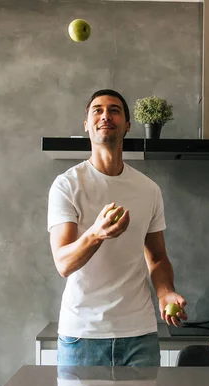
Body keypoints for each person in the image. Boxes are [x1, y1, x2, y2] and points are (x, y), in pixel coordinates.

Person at [48, 89, 187, 367]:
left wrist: (165, 292)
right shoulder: (68, 185)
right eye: (97, 110)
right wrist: (97, 234)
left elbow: (157, 258)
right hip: (83, 336)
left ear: (127, 125)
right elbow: (63, 263)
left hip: (140, 335)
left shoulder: (148, 189)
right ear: (87, 124)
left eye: (114, 110)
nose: (105, 116)